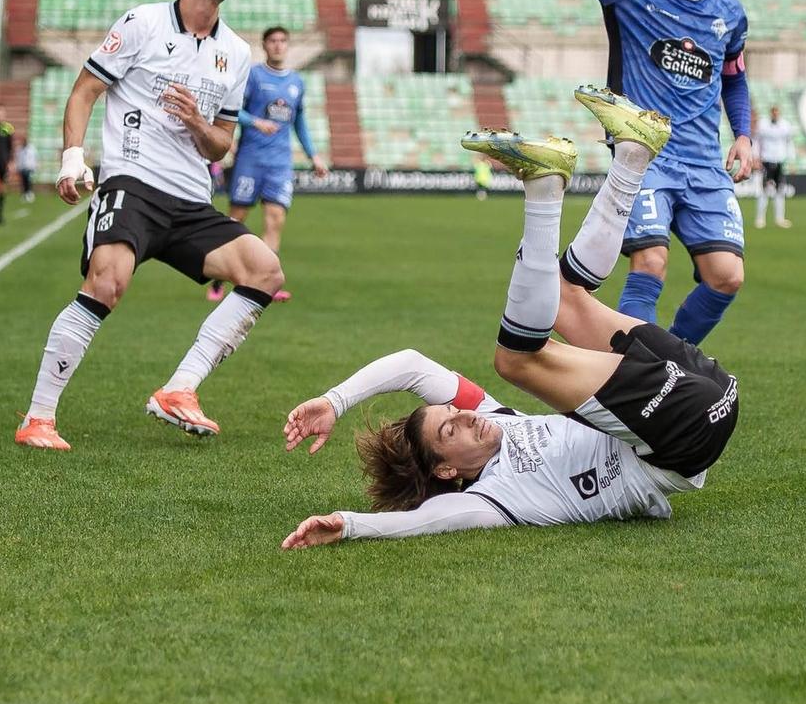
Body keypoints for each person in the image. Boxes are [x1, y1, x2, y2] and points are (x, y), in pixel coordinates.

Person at [280, 86, 739, 548]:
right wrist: (351, 524)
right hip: (683, 437)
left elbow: (411, 365)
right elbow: (428, 519)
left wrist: (333, 401)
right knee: (515, 361)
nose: (464, 416)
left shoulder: (495, 416)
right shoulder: (492, 498)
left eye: (452, 413)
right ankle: (543, 190)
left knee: (564, 298)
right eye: (450, 429)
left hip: (713, 390)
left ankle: (632, 154)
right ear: (446, 469)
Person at [16, 0, 284, 451]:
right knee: (107, 283)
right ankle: (38, 419)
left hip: (190, 200)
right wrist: (73, 158)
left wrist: (197, 122)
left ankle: (180, 389)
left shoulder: (237, 52)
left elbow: (220, 145)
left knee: (265, 270)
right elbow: (84, 92)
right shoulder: (143, 23)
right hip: (132, 184)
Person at [554, 0, 753, 344]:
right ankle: (632, 370)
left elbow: (734, 80)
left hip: (704, 164)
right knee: (651, 260)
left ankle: (673, 358)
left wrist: (744, 135)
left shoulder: (728, 13)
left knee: (726, 275)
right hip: (645, 160)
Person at [205, 24, 327, 304]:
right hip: (250, 160)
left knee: (275, 221)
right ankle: (218, 277)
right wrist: (256, 121)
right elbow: (234, 111)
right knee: (236, 219)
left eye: (283, 41)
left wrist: (314, 156)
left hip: (280, 164)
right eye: (273, 41)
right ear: (265, 45)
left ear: (288, 45)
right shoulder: (254, 76)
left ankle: (264, 284)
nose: (278, 45)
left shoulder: (297, 82)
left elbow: (300, 123)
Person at [753, 103, 794, 229]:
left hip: (780, 161)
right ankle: (760, 218)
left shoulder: (786, 125)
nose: (775, 114)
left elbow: (789, 143)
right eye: (773, 111)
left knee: (780, 191)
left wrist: (792, 160)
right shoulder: (763, 125)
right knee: (764, 190)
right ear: (771, 112)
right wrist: (756, 157)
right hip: (766, 160)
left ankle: (779, 218)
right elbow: (756, 141)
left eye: (777, 112)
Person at [15, 136, 38, 202]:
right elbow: (18, 159)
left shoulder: (32, 148)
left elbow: (35, 158)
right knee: (23, 182)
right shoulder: (19, 149)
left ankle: (29, 193)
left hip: (30, 168)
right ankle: (24, 193)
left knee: (29, 181)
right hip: (22, 168)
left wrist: (35, 166)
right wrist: (18, 167)